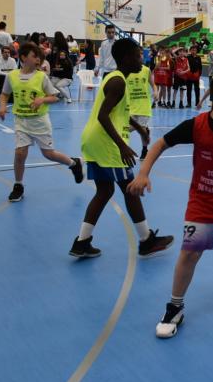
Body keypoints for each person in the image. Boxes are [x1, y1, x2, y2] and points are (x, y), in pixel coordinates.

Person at [127, 72, 213, 339]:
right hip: (202, 203)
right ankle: (174, 307)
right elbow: (159, 145)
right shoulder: (195, 126)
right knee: (189, 253)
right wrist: (143, 173)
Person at [71, 37, 174, 259]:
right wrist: (122, 147)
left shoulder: (119, 79)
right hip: (107, 144)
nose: (142, 59)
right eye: (138, 55)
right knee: (130, 188)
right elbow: (103, 116)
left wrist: (138, 128)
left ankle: (82, 241)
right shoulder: (117, 82)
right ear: (127, 58)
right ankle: (146, 240)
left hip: (94, 141)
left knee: (105, 190)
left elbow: (120, 114)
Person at [0, 43, 84, 202]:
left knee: (49, 154)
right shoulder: (12, 76)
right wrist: (2, 107)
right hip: (21, 120)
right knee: (20, 153)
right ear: (23, 57)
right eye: (34, 56)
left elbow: (55, 97)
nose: (38, 59)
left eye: (39, 57)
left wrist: (42, 99)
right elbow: (4, 94)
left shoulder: (41, 76)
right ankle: (18, 185)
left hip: (39, 122)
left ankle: (74, 163)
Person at [127, 53, 154, 159]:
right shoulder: (127, 71)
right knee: (127, 129)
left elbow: (153, 84)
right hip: (130, 106)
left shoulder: (146, 70)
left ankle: (144, 150)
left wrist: (155, 91)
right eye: (138, 55)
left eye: (142, 54)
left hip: (144, 106)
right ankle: (144, 130)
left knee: (139, 128)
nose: (141, 57)